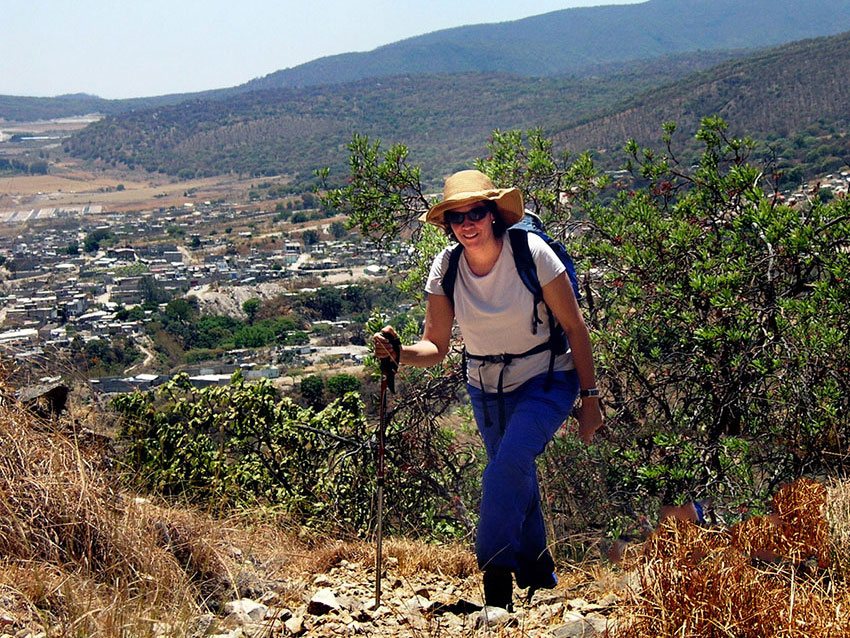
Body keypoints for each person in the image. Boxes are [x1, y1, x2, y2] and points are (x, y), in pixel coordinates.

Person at [374, 169, 603, 611]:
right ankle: (538, 571)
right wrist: (399, 352)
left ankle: (496, 581)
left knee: (506, 466)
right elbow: (436, 347)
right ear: (447, 225)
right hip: (487, 387)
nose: (467, 223)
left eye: (475, 212)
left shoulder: (532, 253)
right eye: (456, 217)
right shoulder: (447, 266)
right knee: (512, 470)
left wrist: (590, 400)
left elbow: (576, 327)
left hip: (549, 376)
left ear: (494, 214)